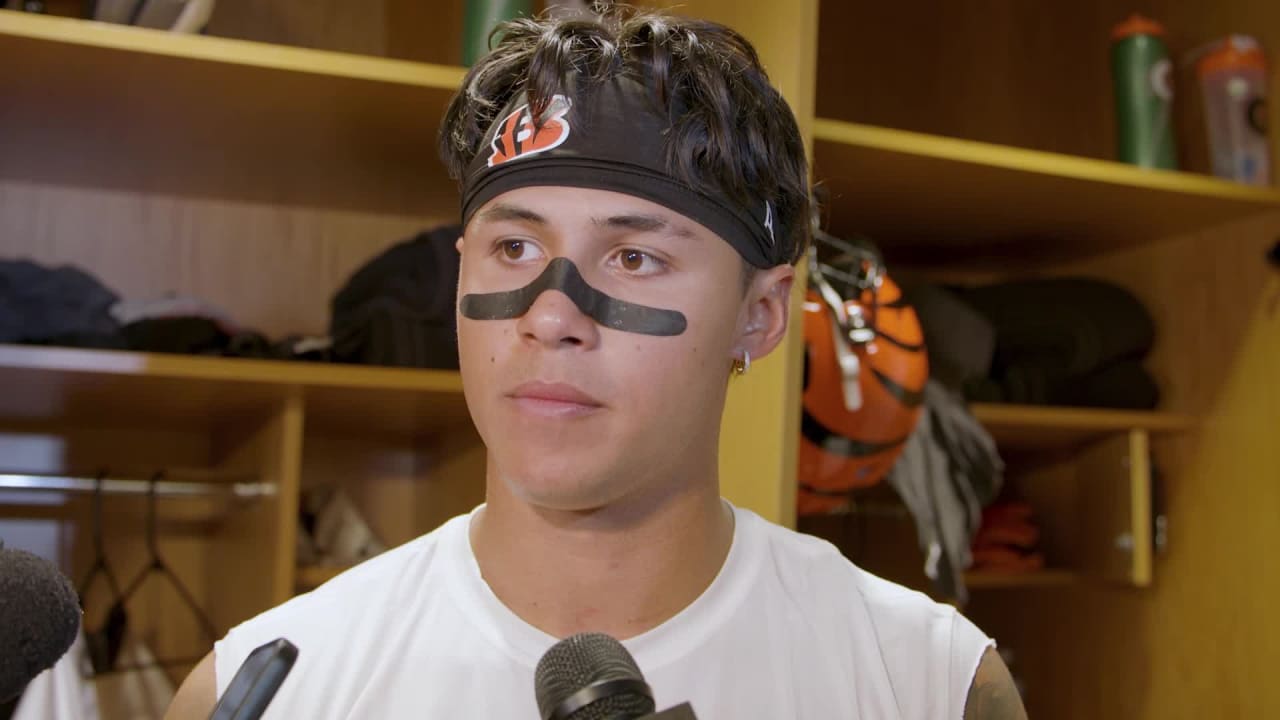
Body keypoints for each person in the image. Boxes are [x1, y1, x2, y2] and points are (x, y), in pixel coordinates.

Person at [166, 5, 1026, 718]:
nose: (549, 316)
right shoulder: (268, 687)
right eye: (513, 246)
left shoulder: (931, 683)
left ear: (760, 316)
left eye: (634, 258)